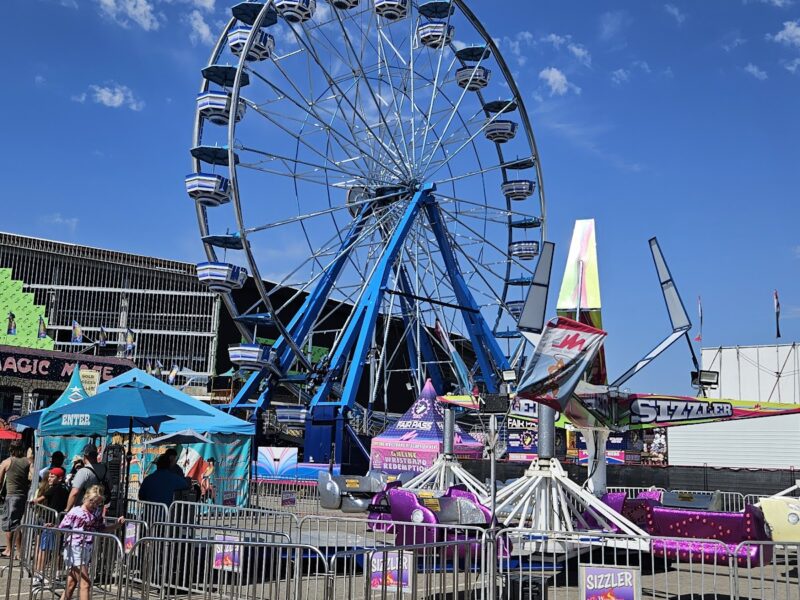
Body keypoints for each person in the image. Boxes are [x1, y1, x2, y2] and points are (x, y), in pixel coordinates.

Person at [58, 485, 124, 600]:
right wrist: (51, 527)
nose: (94, 505)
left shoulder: (96, 514)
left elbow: (101, 529)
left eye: (97, 503)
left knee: (71, 584)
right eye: (92, 501)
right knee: (85, 584)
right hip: (75, 549)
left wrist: (117, 525)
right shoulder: (75, 511)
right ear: (86, 498)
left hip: (87, 549)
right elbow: (62, 528)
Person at [32, 467, 69, 579]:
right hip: (59, 522)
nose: (49, 478)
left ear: (60, 478)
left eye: (53, 476)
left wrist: (33, 501)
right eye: (50, 476)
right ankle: (57, 573)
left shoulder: (55, 488)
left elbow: (39, 499)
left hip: (51, 522)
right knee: (57, 549)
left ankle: (39, 573)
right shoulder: (65, 488)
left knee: (45, 549)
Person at [0, 443, 31, 558]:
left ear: (11, 449)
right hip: (22, 496)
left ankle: (18, 551)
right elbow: (32, 477)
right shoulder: (27, 461)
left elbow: (0, 480)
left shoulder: (6, 462)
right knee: (13, 522)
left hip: (11, 495)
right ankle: (9, 549)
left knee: (12, 524)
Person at [66, 445, 107, 512]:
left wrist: (67, 510)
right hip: (98, 509)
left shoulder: (83, 471)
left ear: (85, 456)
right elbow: (110, 486)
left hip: (83, 510)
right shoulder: (105, 469)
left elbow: (74, 493)